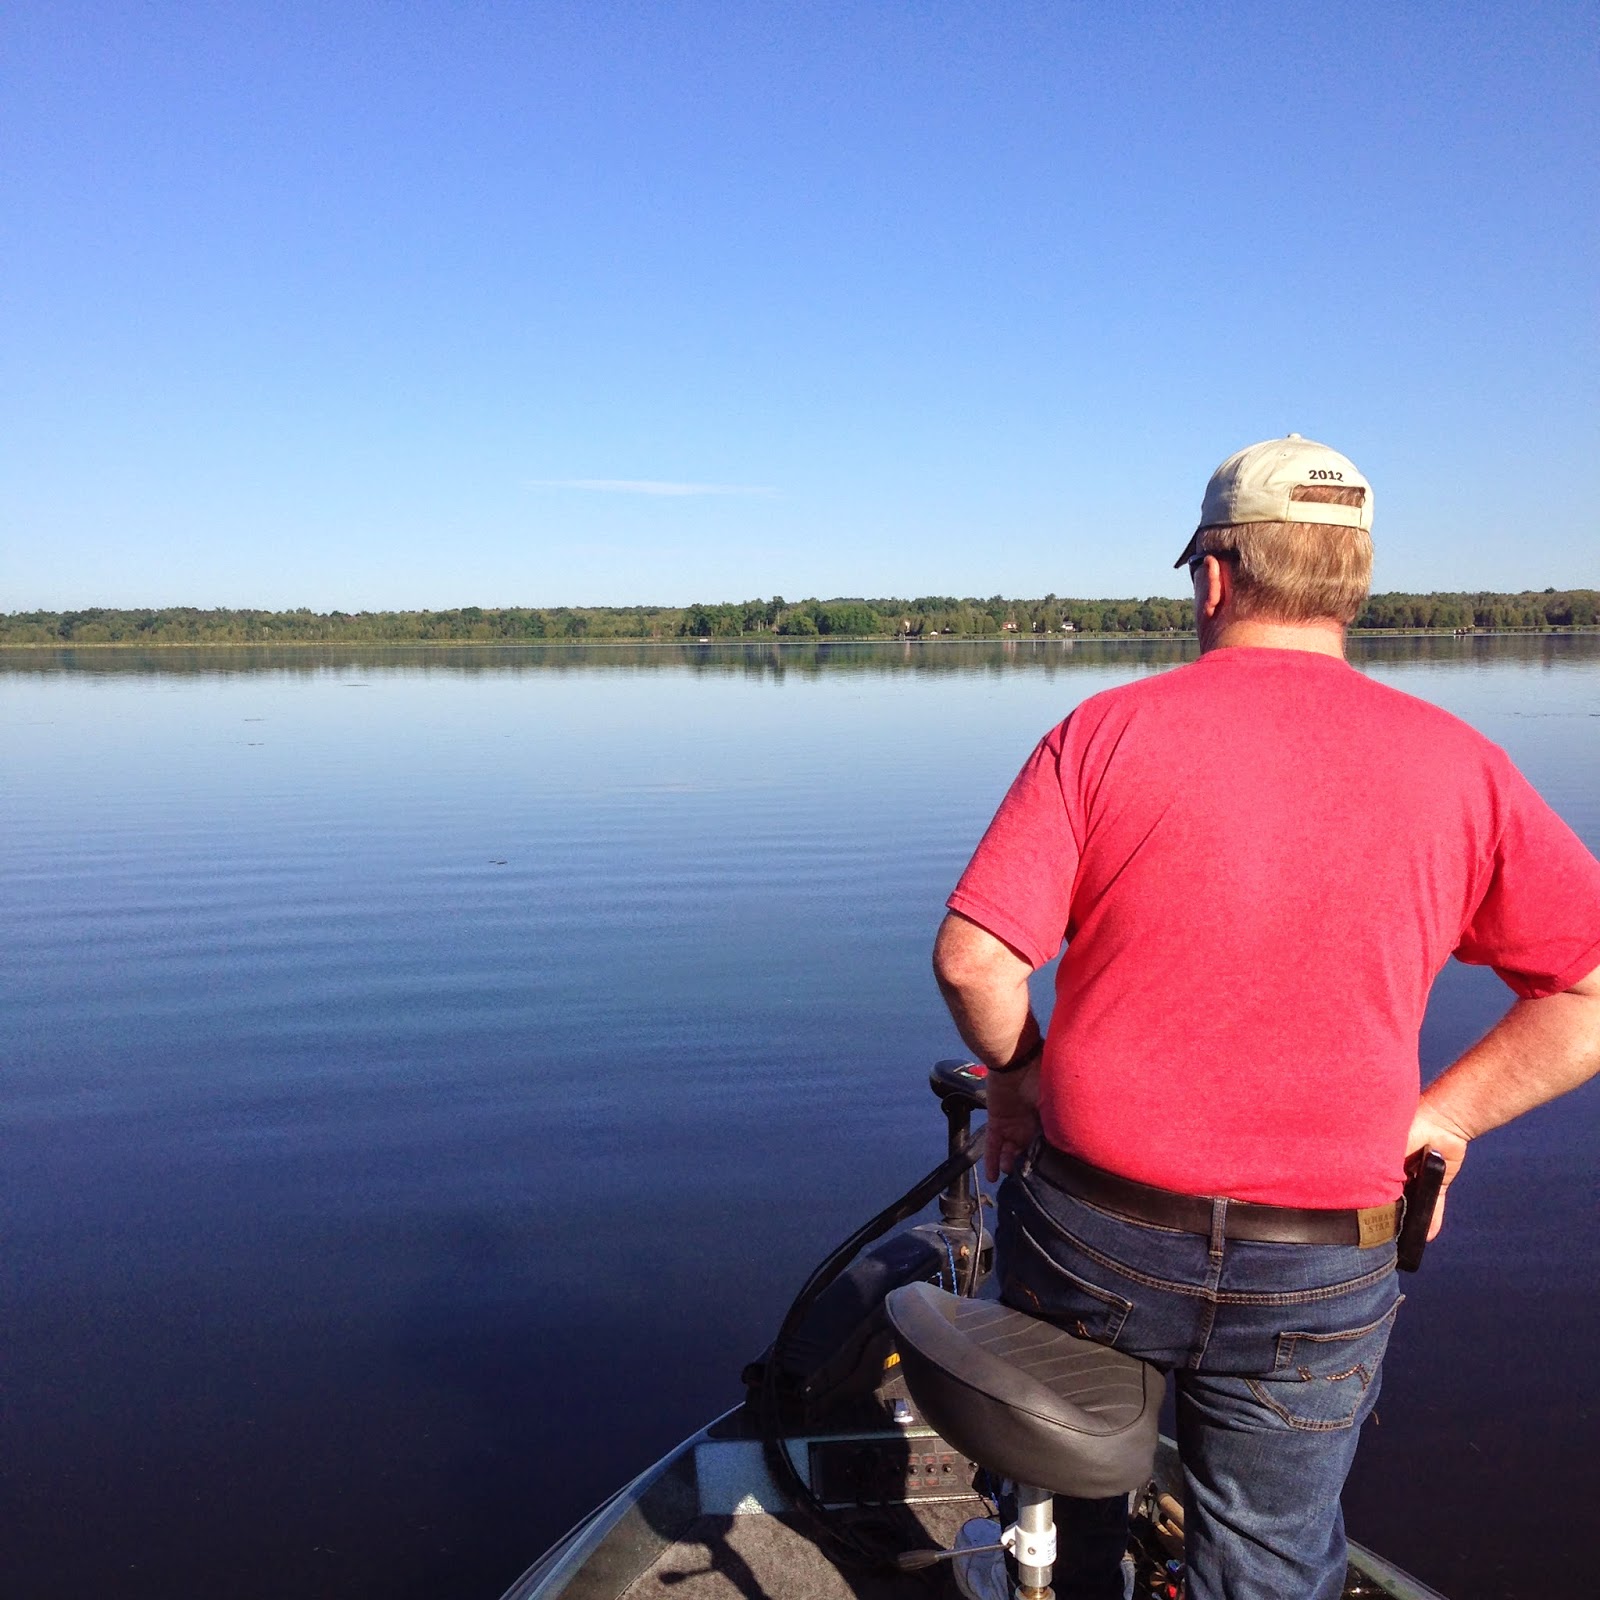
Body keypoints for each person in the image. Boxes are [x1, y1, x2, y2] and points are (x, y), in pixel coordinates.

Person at [932, 435, 1600, 1600]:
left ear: (1212, 575)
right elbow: (1586, 990)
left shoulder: (1104, 733)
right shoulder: (1465, 766)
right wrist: (1443, 1118)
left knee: (1076, 1497)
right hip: (1321, 1259)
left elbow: (975, 960)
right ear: (1352, 580)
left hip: (1097, 1229)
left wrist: (1019, 1079)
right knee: (1275, 1553)